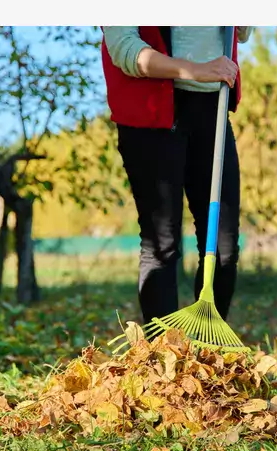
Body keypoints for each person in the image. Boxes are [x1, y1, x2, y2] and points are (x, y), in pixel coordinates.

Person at [100, 26, 253, 327]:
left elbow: (242, 31)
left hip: (212, 109)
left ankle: (207, 350)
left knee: (224, 248)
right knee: (163, 244)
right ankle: (163, 358)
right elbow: (125, 49)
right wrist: (196, 70)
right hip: (150, 113)